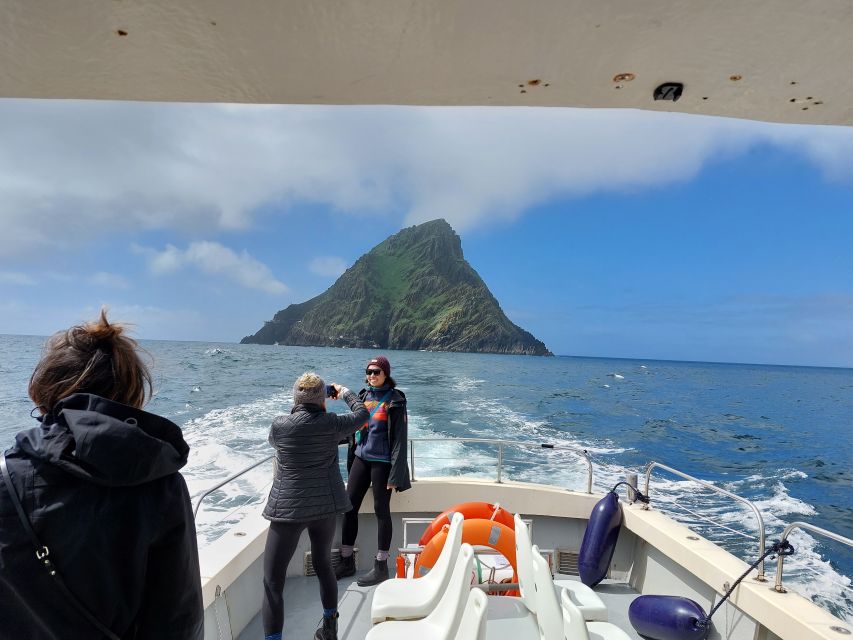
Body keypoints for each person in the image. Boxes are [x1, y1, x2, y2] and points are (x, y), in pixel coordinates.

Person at [0, 310, 203, 640]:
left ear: (37, 391)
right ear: (133, 398)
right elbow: (177, 618)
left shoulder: (5, 478)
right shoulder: (160, 484)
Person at [262, 372, 368, 640]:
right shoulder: (331, 424)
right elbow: (362, 414)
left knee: (273, 582)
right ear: (322, 399)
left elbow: (275, 443)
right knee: (323, 564)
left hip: (288, 509)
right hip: (324, 508)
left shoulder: (280, 425)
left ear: (295, 398)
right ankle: (330, 628)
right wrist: (343, 392)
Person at [336, 356, 411, 587]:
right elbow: (354, 425)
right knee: (349, 506)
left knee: (381, 511)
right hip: (360, 457)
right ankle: (347, 560)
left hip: (382, 462)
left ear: (386, 373)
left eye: (376, 371)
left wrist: (395, 474)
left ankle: (380, 566)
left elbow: (399, 439)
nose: (372, 376)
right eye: (369, 371)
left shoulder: (395, 400)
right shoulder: (364, 395)